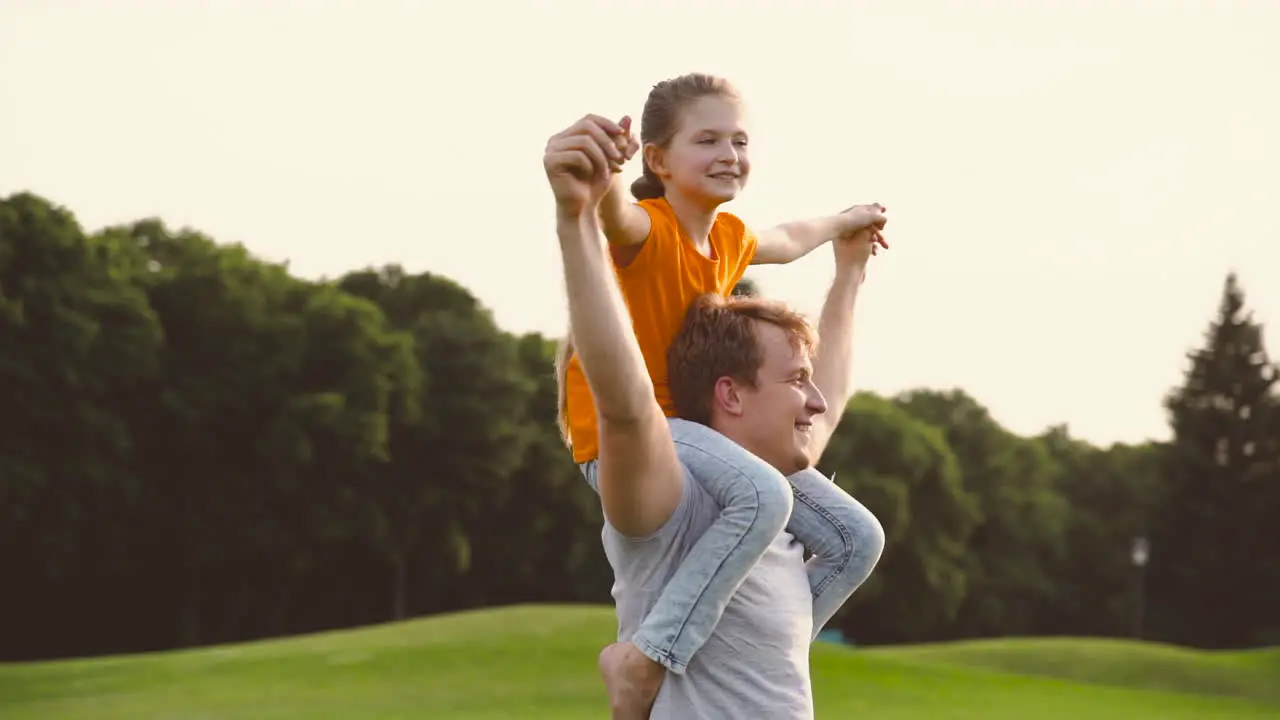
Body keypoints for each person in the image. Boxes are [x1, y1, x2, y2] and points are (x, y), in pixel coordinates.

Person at [544, 82, 885, 718]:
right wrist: (605, 168)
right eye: (707, 140)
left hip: (699, 438)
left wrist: (846, 225)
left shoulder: (727, 240)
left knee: (856, 536)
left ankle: (747, 643)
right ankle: (649, 657)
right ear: (659, 160)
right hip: (643, 435)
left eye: (739, 140)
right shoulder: (649, 228)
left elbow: (787, 236)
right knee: (764, 495)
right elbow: (612, 212)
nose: (729, 152)